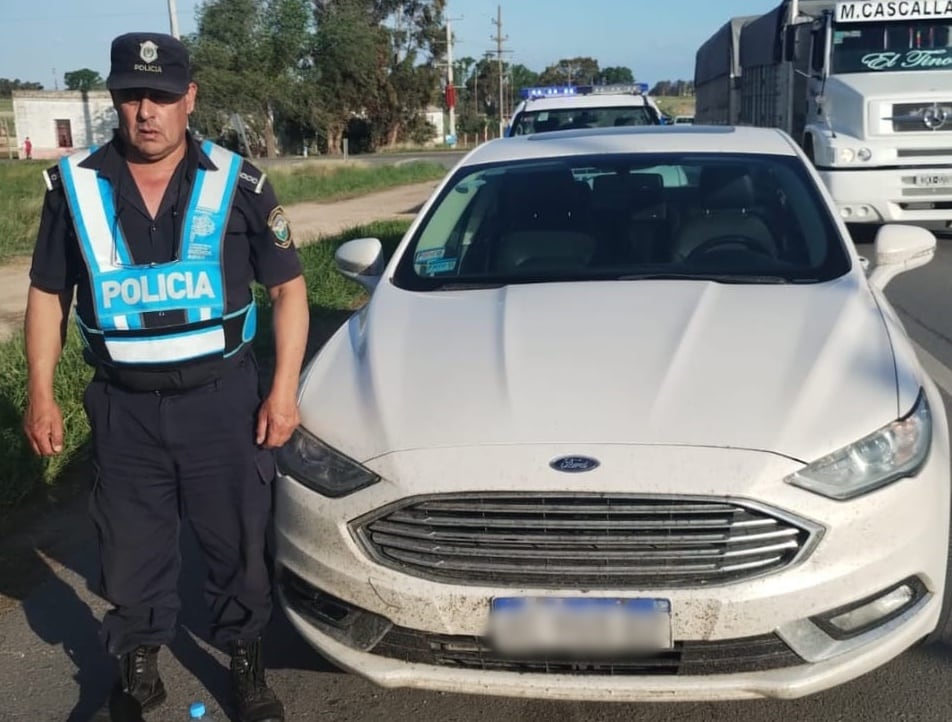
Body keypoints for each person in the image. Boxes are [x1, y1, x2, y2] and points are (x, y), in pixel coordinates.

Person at [22, 31, 309, 722]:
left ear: (190, 98)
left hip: (224, 404)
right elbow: (45, 296)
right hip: (124, 412)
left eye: (161, 94)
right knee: (131, 547)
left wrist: (284, 389)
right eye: (130, 95)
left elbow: (290, 290)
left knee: (236, 541)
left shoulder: (239, 182)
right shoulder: (76, 188)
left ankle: (244, 663)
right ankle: (139, 662)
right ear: (116, 101)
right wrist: (39, 391)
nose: (145, 110)